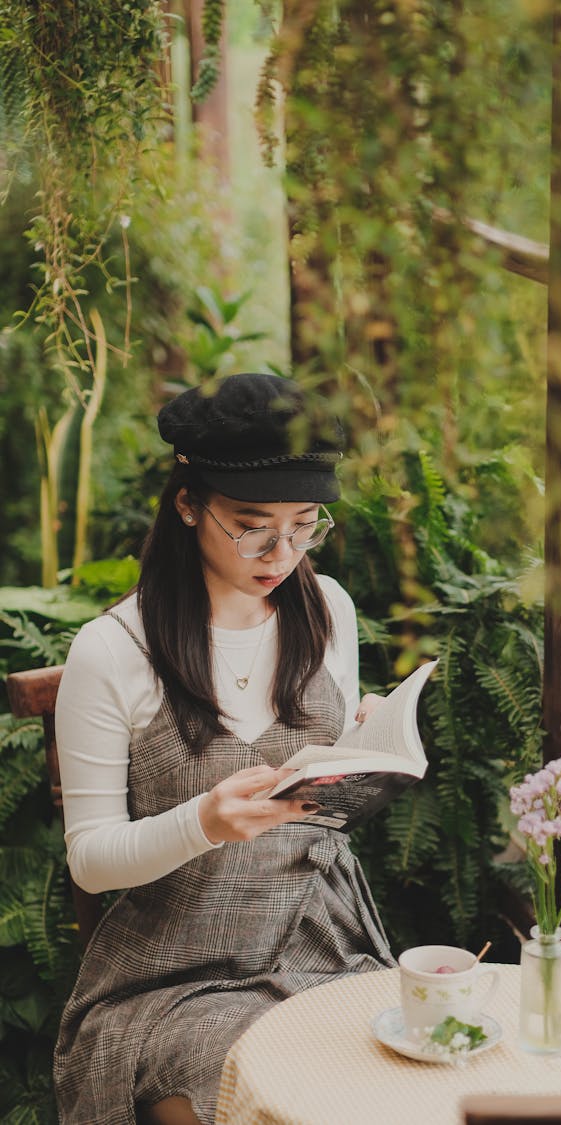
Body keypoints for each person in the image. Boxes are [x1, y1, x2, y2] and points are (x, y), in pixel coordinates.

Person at [52, 373, 394, 1125]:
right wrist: (203, 820)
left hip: (318, 934)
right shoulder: (112, 652)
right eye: (253, 526)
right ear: (187, 504)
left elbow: (320, 806)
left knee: (393, 1078)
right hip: (175, 969)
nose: (283, 551)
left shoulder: (329, 609)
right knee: (264, 1090)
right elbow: (92, 856)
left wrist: (370, 754)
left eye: (306, 525)